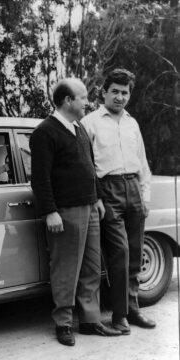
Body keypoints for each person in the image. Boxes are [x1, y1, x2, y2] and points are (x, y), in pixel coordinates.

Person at [30, 78, 121, 346]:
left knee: (92, 268)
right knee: (66, 270)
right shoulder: (45, 132)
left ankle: (91, 321)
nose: (87, 102)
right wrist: (50, 212)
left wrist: (99, 198)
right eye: (82, 98)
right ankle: (64, 323)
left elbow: (90, 168)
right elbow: (40, 179)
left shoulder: (79, 128)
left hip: (91, 207)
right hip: (66, 212)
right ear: (68, 101)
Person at [81, 68, 156, 335]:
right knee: (120, 253)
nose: (120, 97)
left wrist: (144, 197)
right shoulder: (90, 123)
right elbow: (87, 167)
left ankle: (133, 309)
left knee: (135, 252)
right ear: (104, 92)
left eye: (125, 93)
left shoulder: (132, 123)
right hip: (108, 189)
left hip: (133, 188)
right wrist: (98, 198)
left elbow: (143, 162)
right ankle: (119, 315)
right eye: (115, 91)